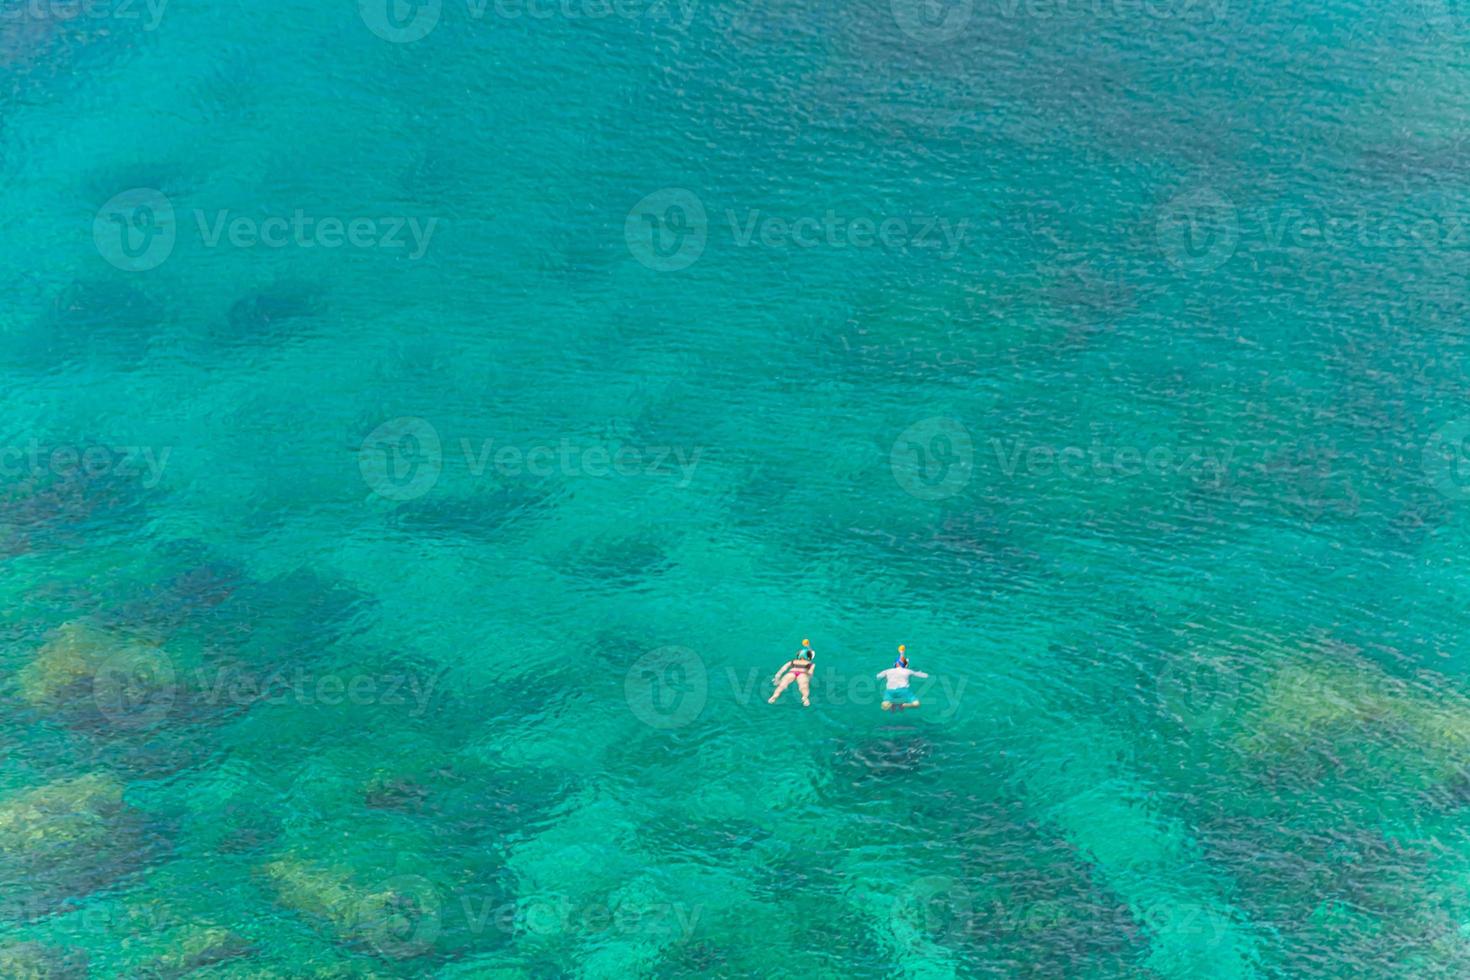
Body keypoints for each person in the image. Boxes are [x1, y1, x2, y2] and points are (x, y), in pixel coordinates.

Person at [876, 644, 927, 711]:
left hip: (890, 691)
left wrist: (885, 676)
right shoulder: (908, 671)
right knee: (916, 704)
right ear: (905, 666)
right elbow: (925, 676)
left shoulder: (888, 670)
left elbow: (878, 676)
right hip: (904, 691)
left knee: (884, 706)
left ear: (894, 664)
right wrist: (921, 672)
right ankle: (905, 705)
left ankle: (891, 704)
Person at [769, 638, 816, 707]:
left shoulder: (792, 661)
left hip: (791, 672)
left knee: (781, 686)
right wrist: (808, 679)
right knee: (803, 687)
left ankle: (774, 696)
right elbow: (810, 673)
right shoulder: (810, 664)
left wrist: (777, 679)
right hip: (802, 674)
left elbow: (782, 670)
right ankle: (805, 698)